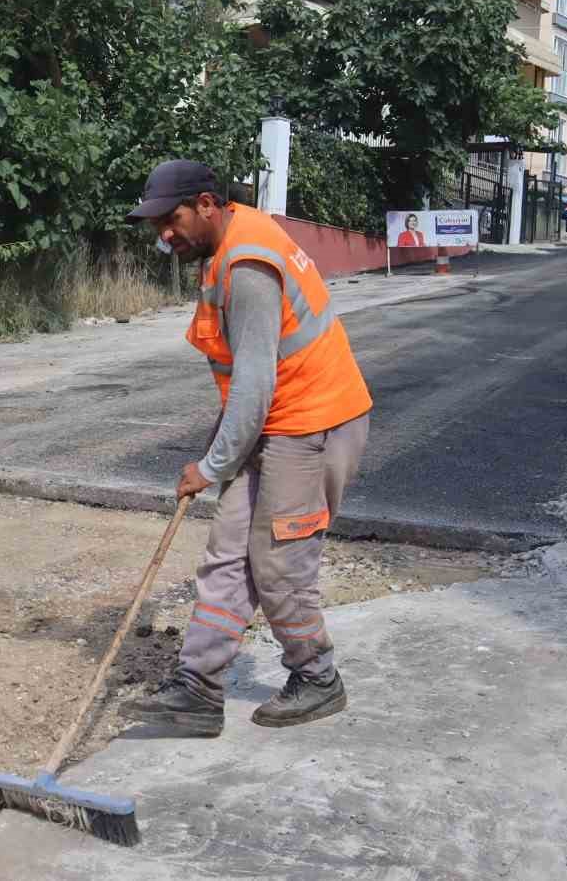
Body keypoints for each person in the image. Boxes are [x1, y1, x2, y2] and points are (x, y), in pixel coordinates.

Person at [125, 159, 372, 733]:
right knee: (228, 552)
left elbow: (256, 386)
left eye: (172, 218)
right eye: (156, 223)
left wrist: (210, 467)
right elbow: (247, 385)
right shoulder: (223, 250)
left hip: (314, 424)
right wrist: (216, 453)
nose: (164, 233)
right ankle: (197, 689)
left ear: (207, 204)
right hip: (273, 423)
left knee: (279, 561)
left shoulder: (246, 264)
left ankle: (317, 677)